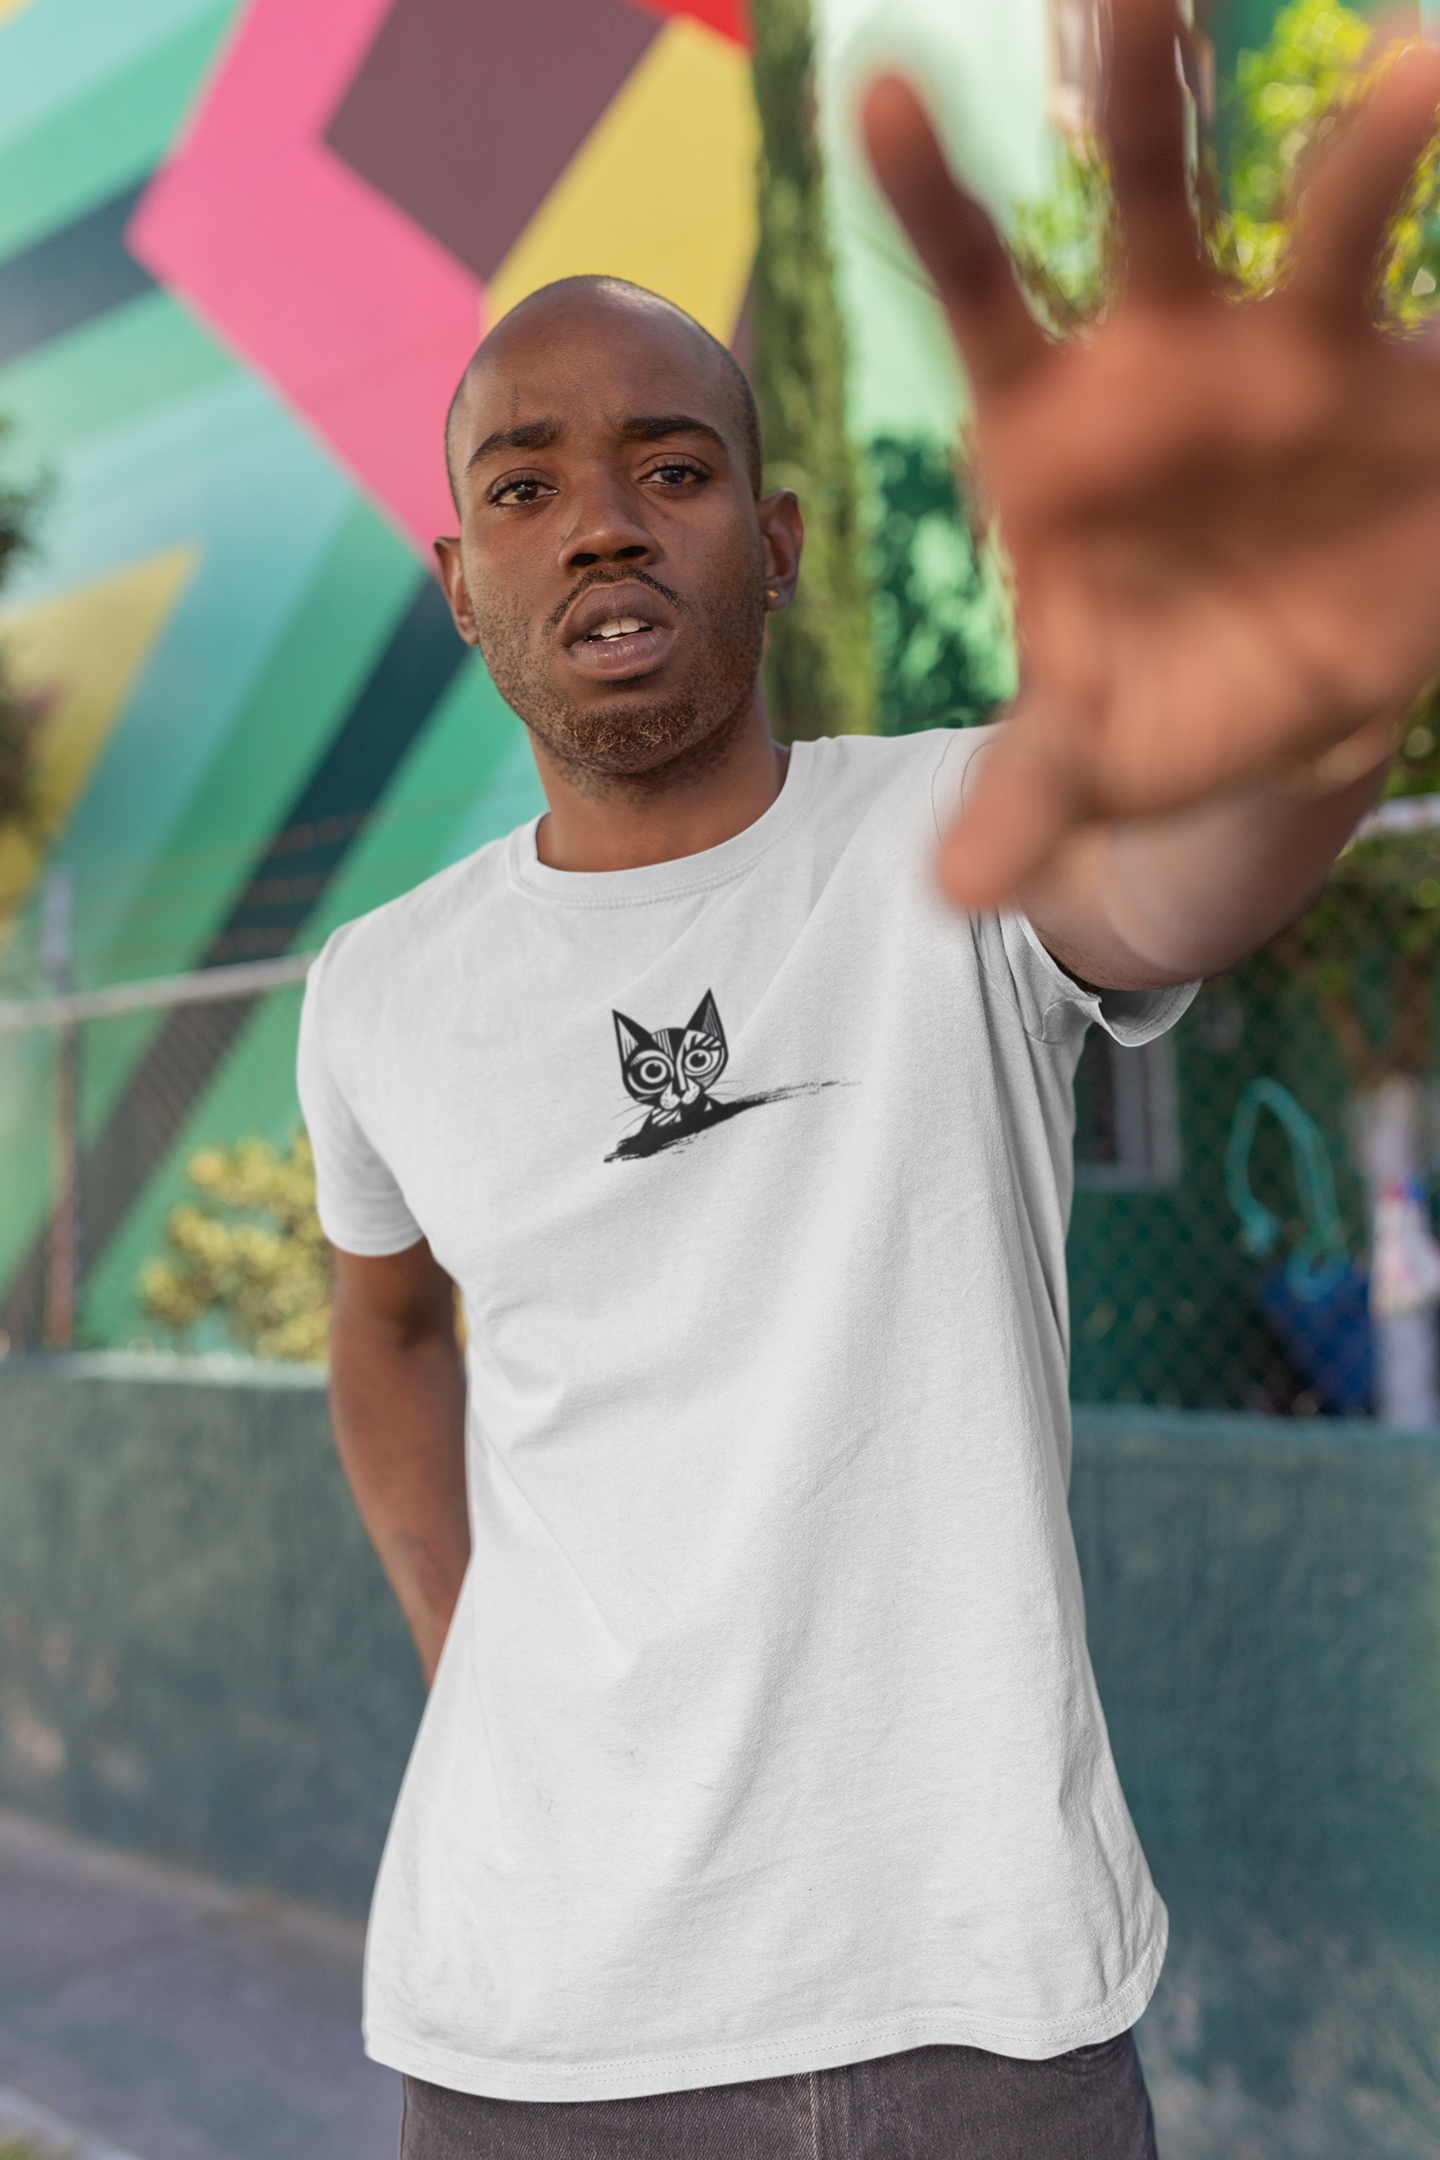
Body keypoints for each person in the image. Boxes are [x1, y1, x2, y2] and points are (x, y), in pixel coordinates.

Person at [296, 3, 1440, 2151]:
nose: (602, 523)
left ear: (780, 538)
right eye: (525, 486)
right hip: (531, 2029)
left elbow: (1186, 865)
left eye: (673, 467)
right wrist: (471, 1653)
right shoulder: (376, 992)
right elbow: (383, 1331)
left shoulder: (960, 833)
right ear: (460, 585)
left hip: (973, 2012)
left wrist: (1313, 704)